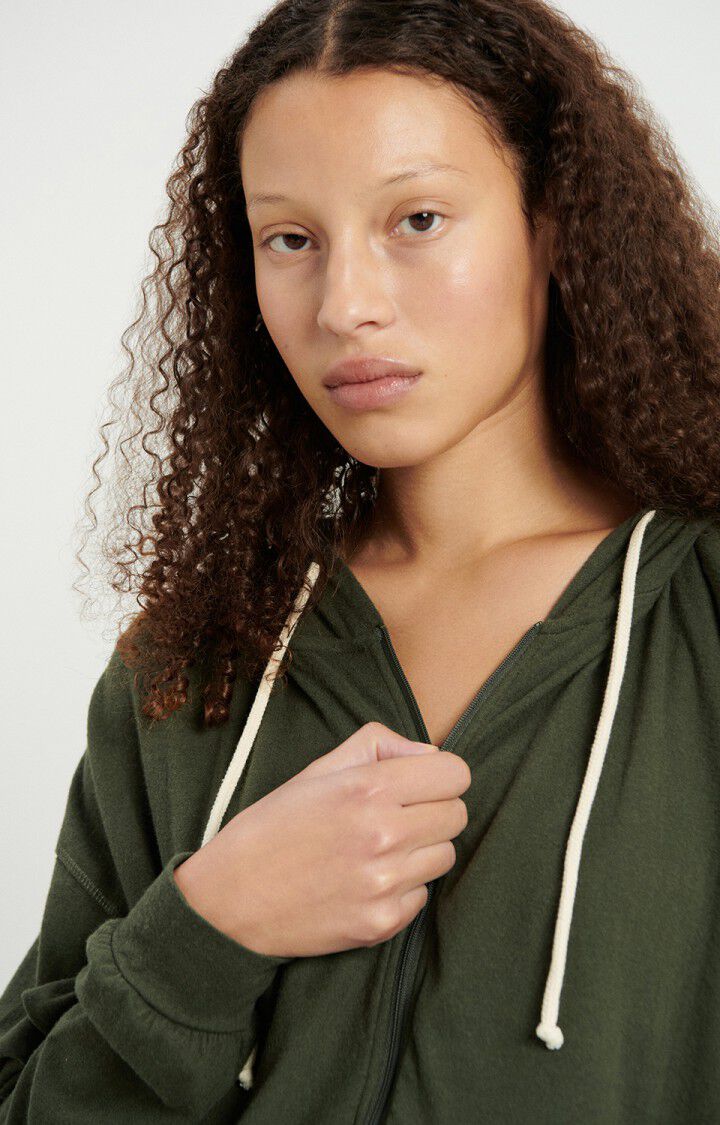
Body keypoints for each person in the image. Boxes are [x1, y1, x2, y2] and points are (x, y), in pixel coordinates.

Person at [2, 0, 719, 1121]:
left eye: (417, 219)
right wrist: (211, 925)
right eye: (290, 239)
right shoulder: (194, 660)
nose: (346, 306)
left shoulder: (701, 614)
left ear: (555, 224)